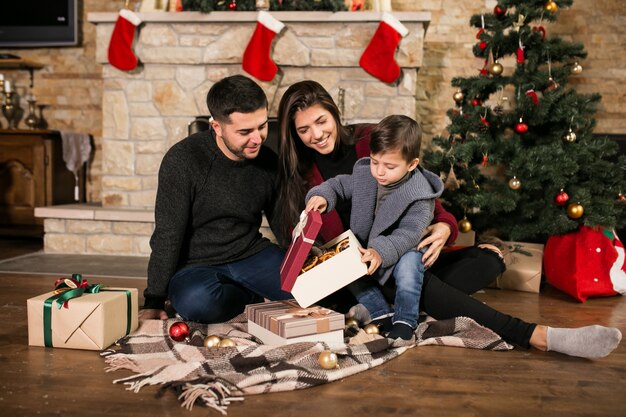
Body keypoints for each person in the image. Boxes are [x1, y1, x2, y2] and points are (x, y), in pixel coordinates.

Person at [275, 80, 622, 358]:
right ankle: (534, 334)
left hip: (399, 252)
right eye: (303, 130)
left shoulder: (373, 141)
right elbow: (313, 228)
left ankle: (402, 303)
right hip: (359, 272)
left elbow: (420, 191)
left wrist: (444, 226)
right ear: (294, 134)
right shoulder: (301, 175)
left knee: (487, 261)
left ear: (334, 115)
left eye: (321, 121)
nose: (316, 134)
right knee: (417, 281)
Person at [139, 74, 291, 324]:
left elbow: (281, 223)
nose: (258, 139)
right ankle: (250, 295)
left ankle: (252, 291)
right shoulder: (182, 160)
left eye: (262, 126)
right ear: (217, 127)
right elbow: (168, 234)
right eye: (245, 131)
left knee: (308, 291)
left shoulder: (269, 162)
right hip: (196, 264)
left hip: (251, 253)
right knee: (197, 303)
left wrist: (302, 262)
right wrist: (154, 299)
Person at [306, 115, 443, 340]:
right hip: (367, 249)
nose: (379, 172)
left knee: (410, 269)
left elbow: (409, 232)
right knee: (346, 265)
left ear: (412, 164)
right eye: (374, 161)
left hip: (402, 249)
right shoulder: (365, 175)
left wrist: (380, 250)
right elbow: (339, 185)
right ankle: (380, 313)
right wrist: (323, 195)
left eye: (389, 166)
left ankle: (405, 318)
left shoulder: (420, 194)